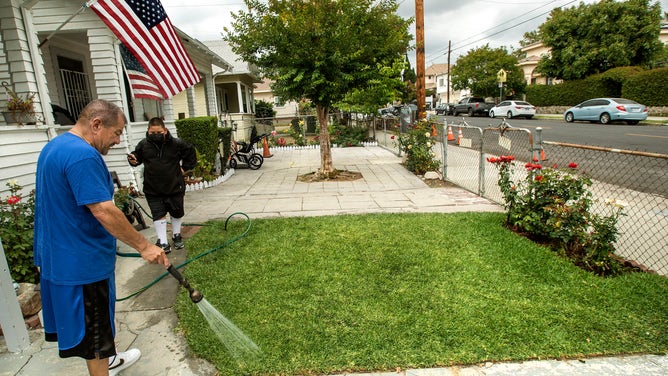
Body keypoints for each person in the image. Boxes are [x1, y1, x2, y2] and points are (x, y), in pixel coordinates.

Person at [34, 99, 170, 376]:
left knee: (97, 329)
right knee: (95, 338)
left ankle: (112, 359)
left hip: (60, 256)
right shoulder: (83, 155)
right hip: (82, 265)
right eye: (117, 132)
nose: (118, 140)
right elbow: (103, 210)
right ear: (96, 125)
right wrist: (144, 246)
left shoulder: (55, 147)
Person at [127, 117, 196, 253]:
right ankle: (163, 241)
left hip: (174, 186)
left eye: (158, 132)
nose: (156, 135)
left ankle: (176, 235)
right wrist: (133, 159)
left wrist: (184, 168)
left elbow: (190, 152)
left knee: (176, 212)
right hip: (153, 187)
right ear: (148, 131)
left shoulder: (176, 144)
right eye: (153, 133)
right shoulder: (143, 145)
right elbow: (137, 158)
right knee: (158, 214)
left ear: (165, 130)